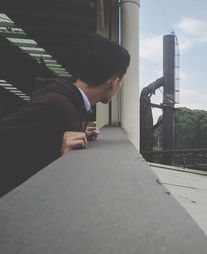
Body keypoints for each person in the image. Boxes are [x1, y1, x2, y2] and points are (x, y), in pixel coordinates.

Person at [0, 34, 130, 196]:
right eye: (120, 82)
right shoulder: (55, 106)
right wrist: (58, 155)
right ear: (113, 82)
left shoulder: (70, 105)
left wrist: (80, 136)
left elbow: (32, 141)